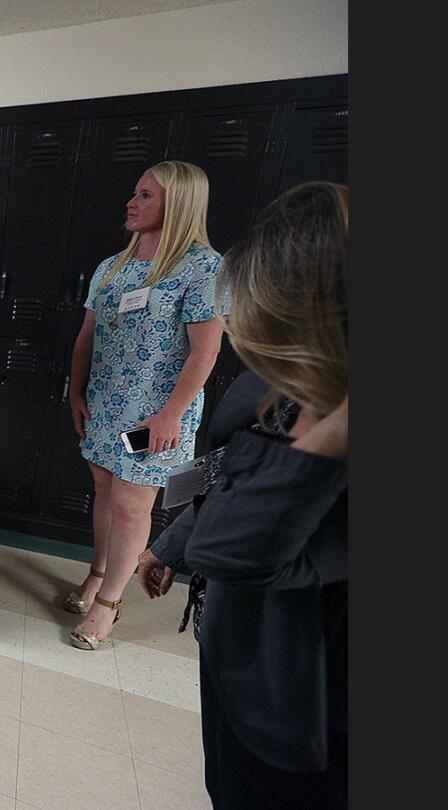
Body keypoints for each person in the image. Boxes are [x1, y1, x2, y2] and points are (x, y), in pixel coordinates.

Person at [138, 182, 348, 808]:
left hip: (304, 694)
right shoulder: (273, 381)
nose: (234, 320)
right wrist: (172, 542)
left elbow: (242, 549)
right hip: (235, 647)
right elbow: (225, 466)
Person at [62, 160, 223, 650]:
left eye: (145, 196)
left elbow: (206, 349)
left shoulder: (204, 268)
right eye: (135, 194)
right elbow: (86, 336)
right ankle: (97, 575)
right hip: (106, 405)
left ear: (179, 204)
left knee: (133, 506)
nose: (131, 203)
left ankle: (109, 604)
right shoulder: (113, 266)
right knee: (105, 491)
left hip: (156, 413)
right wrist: (76, 390)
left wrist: (172, 414)